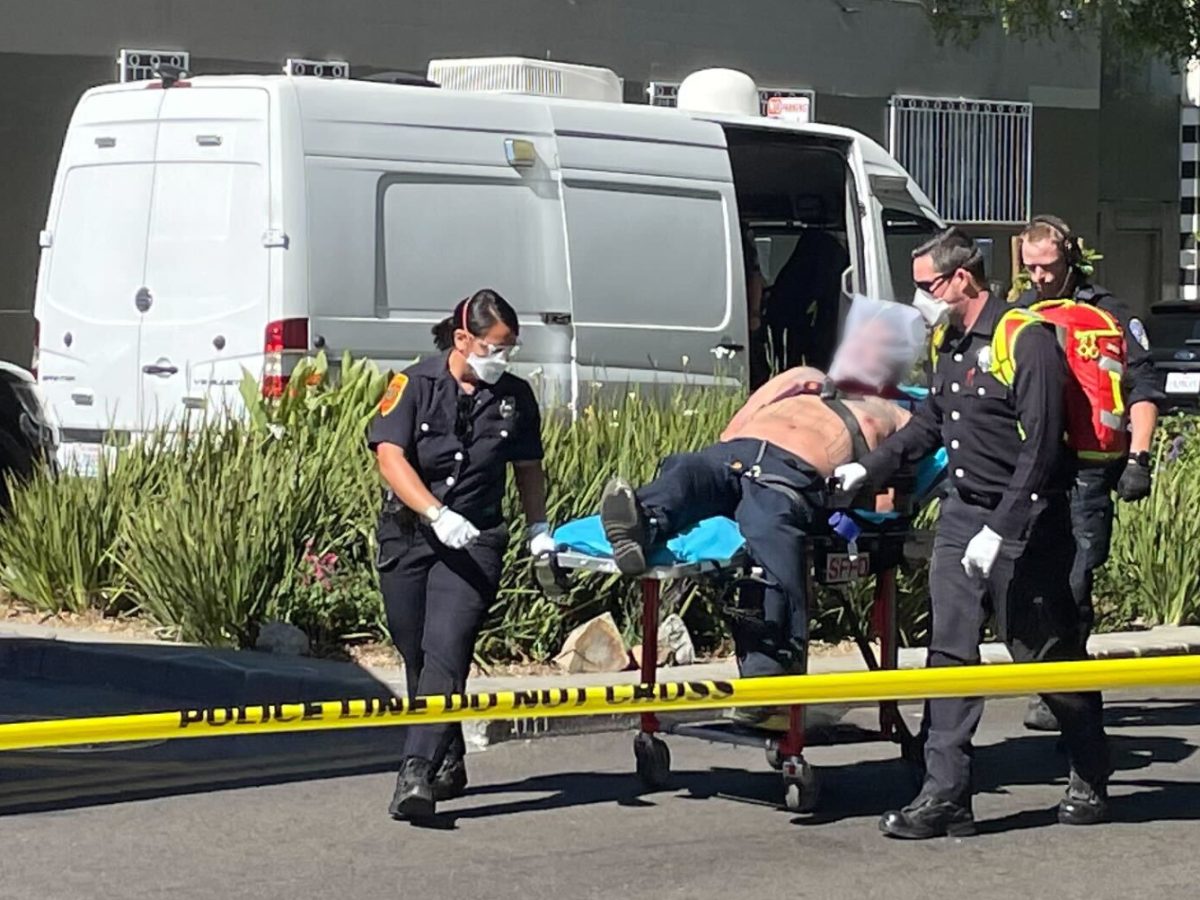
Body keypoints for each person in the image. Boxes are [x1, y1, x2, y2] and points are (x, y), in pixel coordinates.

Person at [837, 227, 1111, 839]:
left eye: (927, 285)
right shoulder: (949, 340)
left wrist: (1005, 528)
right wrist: (869, 465)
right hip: (963, 515)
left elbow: (1041, 448)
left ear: (962, 279)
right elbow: (931, 422)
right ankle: (945, 794)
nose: (921, 299)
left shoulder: (1024, 339)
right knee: (949, 656)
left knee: (1043, 656)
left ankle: (1091, 768)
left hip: (1028, 521)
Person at [600, 297, 925, 688]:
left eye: (880, 345)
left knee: (769, 537)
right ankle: (641, 524)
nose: (866, 350)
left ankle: (768, 678)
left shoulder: (899, 415)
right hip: (733, 456)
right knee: (685, 469)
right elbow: (735, 424)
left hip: (791, 478)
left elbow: (893, 493)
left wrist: (861, 502)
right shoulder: (802, 375)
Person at [367, 289, 553, 821]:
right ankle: (448, 756)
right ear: (462, 339)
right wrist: (433, 513)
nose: (502, 360)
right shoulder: (412, 385)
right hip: (409, 535)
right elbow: (390, 457)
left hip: (475, 542)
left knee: (447, 649)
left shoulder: (516, 398)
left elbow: (528, 468)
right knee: (416, 650)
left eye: (509, 350)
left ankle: (415, 772)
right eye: (493, 349)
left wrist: (537, 525)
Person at [1016, 215, 1162, 732]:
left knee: (1075, 582)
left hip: (1088, 471)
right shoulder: (1021, 315)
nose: (1040, 277)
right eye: (1031, 268)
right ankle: (1057, 682)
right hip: (1033, 472)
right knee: (1032, 583)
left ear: (1070, 259)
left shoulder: (1111, 315)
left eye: (1049, 267)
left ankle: (1070, 695)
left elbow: (1143, 389)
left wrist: (1139, 460)